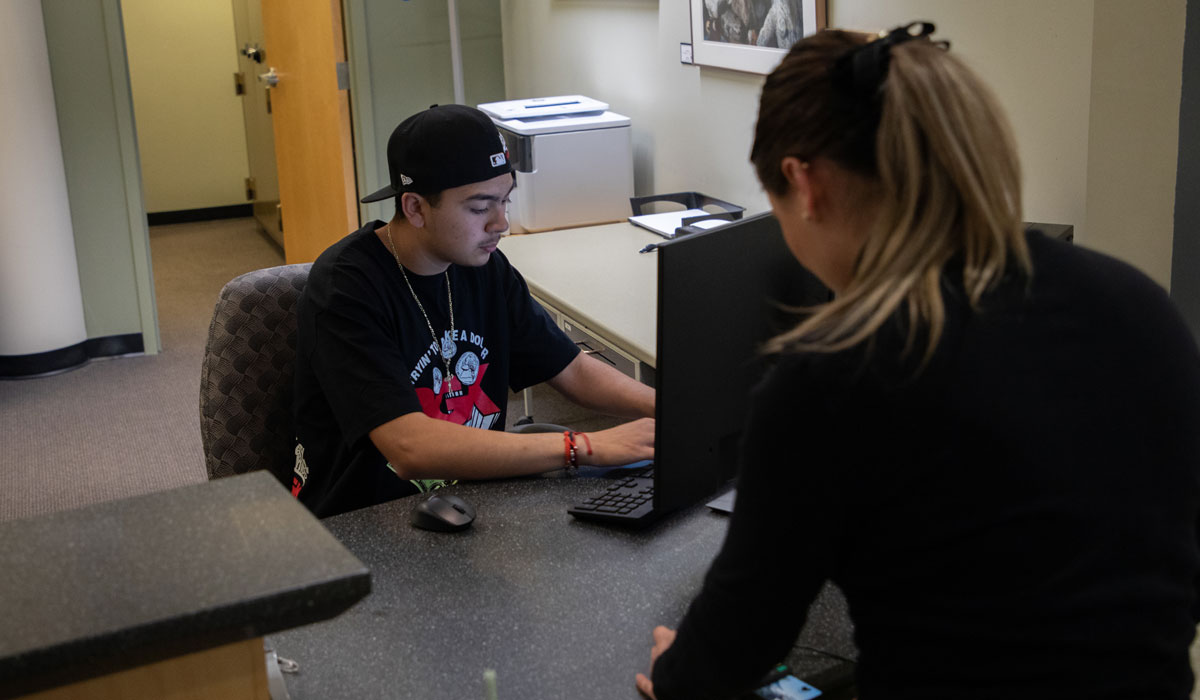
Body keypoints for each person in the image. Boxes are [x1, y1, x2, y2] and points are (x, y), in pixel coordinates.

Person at [637, 23, 1200, 700]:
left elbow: (734, 645)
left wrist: (677, 668)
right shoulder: (1140, 305)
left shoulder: (831, 374)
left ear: (804, 184)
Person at [292, 104, 655, 518]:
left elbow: (572, 369)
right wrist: (583, 447)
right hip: (365, 519)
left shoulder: (484, 267)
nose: (501, 223)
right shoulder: (346, 289)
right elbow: (410, 447)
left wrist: (671, 407)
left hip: (470, 500)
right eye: (480, 207)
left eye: (505, 201)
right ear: (415, 208)